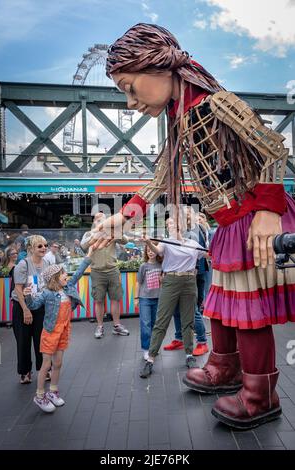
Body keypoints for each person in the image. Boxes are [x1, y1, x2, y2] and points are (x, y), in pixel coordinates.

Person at [89, 23, 295, 429]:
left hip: (254, 217)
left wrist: (269, 210)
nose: (130, 103)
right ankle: (224, 367)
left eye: (131, 87)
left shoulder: (217, 103)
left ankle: (261, 395)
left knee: (248, 311)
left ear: (161, 66)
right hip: (231, 224)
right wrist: (123, 216)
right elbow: (160, 176)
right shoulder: (179, 121)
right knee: (220, 306)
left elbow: (272, 148)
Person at [23, 244, 95, 412]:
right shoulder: (47, 293)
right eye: (63, 273)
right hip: (50, 332)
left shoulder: (68, 287)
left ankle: (53, 392)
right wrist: (27, 296)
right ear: (55, 278)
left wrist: (89, 256)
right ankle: (40, 396)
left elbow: (78, 272)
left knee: (59, 363)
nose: (66, 275)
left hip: (63, 330)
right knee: (46, 365)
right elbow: (34, 305)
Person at [139, 217, 205, 378]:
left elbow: (207, 256)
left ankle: (189, 355)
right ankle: (151, 359)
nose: (169, 226)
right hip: (170, 281)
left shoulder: (192, 243)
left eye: (172, 224)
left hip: (189, 281)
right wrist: (148, 242)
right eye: (167, 224)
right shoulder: (166, 242)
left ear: (180, 226)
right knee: (162, 321)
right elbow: (158, 251)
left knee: (188, 320)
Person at [163, 207, 209, 356]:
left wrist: (192, 270)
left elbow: (194, 254)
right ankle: (179, 338)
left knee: (193, 310)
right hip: (185, 274)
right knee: (177, 308)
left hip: (192, 274)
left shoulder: (193, 231)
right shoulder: (184, 231)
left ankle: (202, 341)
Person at [80, 212, 130, 338]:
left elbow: (125, 241)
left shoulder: (111, 232)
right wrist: (95, 233)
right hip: (97, 271)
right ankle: (100, 327)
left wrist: (115, 230)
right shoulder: (89, 234)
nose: (100, 222)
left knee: (115, 299)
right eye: (97, 220)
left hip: (112, 270)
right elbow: (83, 246)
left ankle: (117, 326)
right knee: (98, 300)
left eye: (103, 220)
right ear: (94, 222)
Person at [11, 235, 50, 384]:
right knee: (23, 340)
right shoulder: (23, 264)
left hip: (39, 306)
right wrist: (26, 310)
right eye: (40, 246)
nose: (43, 248)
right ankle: (25, 371)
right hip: (22, 306)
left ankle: (44, 369)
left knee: (42, 339)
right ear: (31, 248)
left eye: (45, 245)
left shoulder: (46, 263)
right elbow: (18, 289)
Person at [135, 242, 163, 360]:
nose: (150, 252)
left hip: (158, 299)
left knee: (155, 325)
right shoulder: (143, 266)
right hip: (144, 299)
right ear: (146, 252)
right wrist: (136, 298)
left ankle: (153, 348)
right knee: (145, 325)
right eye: (148, 251)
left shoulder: (162, 265)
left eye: (152, 250)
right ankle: (146, 349)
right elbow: (138, 282)